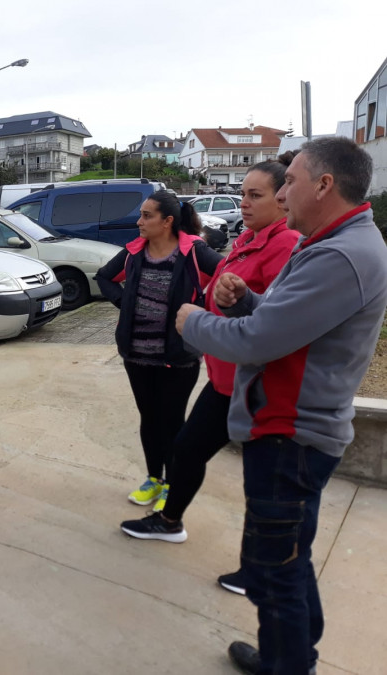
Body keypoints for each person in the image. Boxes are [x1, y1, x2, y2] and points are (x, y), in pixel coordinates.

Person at [176, 137, 387, 675]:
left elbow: (258, 342)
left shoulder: (341, 253)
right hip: (290, 429)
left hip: (290, 434)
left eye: (290, 179)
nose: (283, 190)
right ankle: (290, 655)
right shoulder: (333, 242)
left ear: (324, 185)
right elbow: (289, 318)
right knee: (286, 561)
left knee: (274, 570)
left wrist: (193, 322)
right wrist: (246, 300)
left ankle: (288, 663)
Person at [120, 156, 301, 563]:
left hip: (256, 383)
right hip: (225, 378)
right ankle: (170, 521)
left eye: (256, 195)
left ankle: (268, 569)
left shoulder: (285, 244)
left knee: (264, 477)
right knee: (186, 449)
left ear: (283, 198)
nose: (244, 203)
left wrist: (200, 320)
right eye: (243, 194)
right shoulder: (251, 240)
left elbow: (278, 319)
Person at [96, 191, 221, 509]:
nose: (139, 221)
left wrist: (200, 310)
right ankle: (154, 479)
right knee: (149, 419)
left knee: (173, 422)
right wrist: (124, 303)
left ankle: (172, 486)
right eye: (141, 214)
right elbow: (104, 277)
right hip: (136, 356)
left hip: (177, 359)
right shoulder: (134, 253)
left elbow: (225, 276)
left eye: (147, 216)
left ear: (167, 221)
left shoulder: (194, 252)